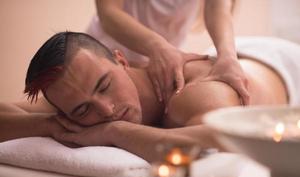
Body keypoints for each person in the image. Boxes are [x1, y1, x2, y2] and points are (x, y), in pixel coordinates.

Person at [0, 32, 299, 163]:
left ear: (121, 60)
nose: (105, 109)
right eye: (81, 110)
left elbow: (222, 141)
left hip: (284, 65)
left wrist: (115, 131)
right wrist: (49, 125)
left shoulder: (194, 95)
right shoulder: (76, 100)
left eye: (104, 85)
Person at [86, 0, 250, 105]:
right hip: (105, 55)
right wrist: (158, 47)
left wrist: (228, 55)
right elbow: (108, 12)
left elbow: (217, 7)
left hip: (166, 60)